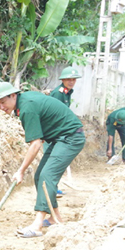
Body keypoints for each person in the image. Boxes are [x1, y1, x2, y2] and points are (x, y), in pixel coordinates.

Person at [0, 81, 85, 238]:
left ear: (13, 95)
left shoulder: (27, 108)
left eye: (3, 102)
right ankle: (54, 217)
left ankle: (37, 225)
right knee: (39, 176)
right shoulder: (24, 102)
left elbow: (35, 144)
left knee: (47, 176)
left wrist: (20, 171)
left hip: (71, 137)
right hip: (59, 138)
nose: (1, 107)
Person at [48, 66, 82, 198]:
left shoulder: (67, 92)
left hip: (60, 130)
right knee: (53, 162)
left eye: (73, 79)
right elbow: (53, 113)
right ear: (63, 80)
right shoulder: (59, 93)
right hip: (54, 131)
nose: (71, 81)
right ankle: (52, 189)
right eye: (68, 79)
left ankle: (54, 187)